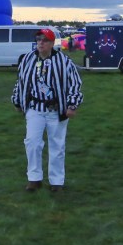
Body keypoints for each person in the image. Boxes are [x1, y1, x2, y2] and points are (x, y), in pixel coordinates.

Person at [11, 28, 83, 192]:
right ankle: (34, 178)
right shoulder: (28, 59)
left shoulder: (64, 61)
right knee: (32, 143)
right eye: (38, 39)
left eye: (44, 40)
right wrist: (17, 101)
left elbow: (75, 84)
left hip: (56, 109)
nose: (40, 43)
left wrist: (72, 105)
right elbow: (20, 82)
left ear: (52, 43)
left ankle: (56, 181)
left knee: (57, 145)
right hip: (35, 108)